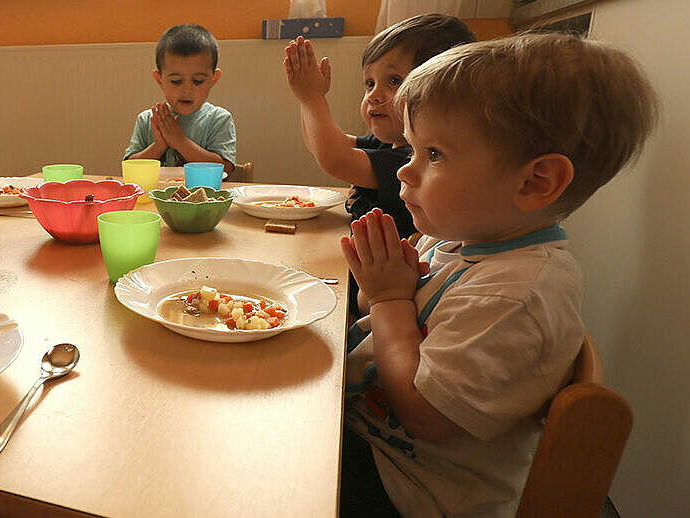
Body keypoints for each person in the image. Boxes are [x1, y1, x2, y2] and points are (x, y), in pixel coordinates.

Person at [339, 33, 657, 517]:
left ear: (535, 182)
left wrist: (388, 301)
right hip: (378, 438)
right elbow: (379, 317)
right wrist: (379, 290)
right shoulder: (458, 238)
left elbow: (425, 415)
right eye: (412, 151)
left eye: (434, 155)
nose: (404, 172)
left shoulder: (517, 296)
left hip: (415, 490)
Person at [283, 14, 474, 239]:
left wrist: (312, 98)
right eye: (370, 83)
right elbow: (322, 145)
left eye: (394, 81)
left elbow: (336, 158)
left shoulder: (414, 159)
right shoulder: (390, 141)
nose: (373, 95)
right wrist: (305, 97)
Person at [124, 24, 236, 173]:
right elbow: (130, 168)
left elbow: (225, 170)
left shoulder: (219, 119)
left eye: (198, 81)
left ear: (213, 79)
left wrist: (180, 141)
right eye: (176, 81)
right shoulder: (148, 120)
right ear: (159, 80)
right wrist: (158, 146)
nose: (187, 90)